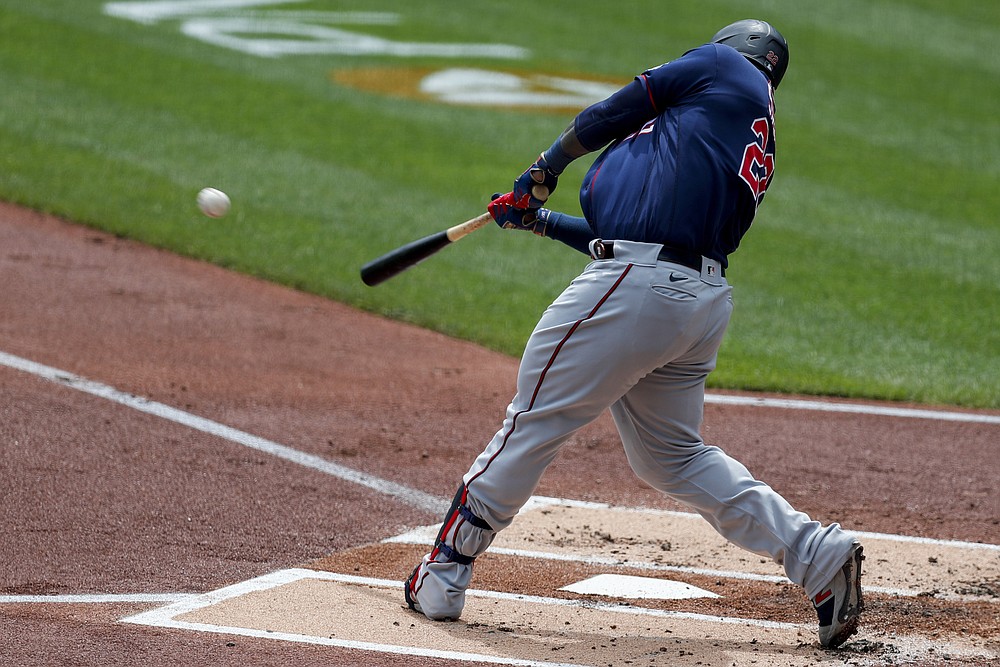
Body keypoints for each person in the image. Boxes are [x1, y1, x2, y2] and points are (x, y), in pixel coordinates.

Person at [403, 19, 864, 649]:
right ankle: (815, 553)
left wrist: (548, 163)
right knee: (670, 455)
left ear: (733, 52)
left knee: (532, 419)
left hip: (642, 289)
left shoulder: (726, 71)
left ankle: (443, 572)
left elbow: (621, 105)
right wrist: (539, 221)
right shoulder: (735, 125)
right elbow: (627, 231)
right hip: (692, 302)